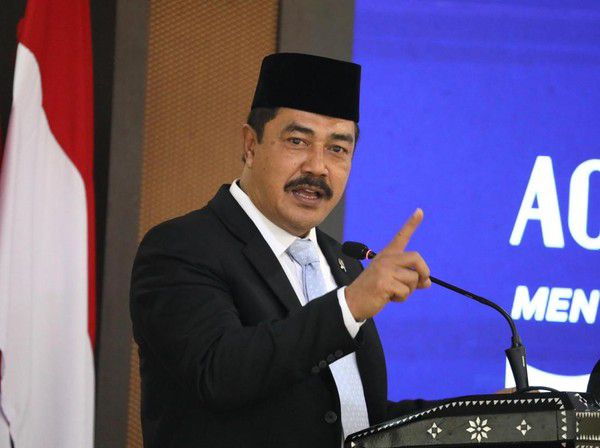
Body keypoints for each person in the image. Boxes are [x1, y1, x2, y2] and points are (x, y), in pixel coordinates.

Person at [130, 53, 434, 448]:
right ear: (250, 145)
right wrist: (349, 306)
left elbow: (353, 418)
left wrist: (480, 415)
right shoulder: (180, 247)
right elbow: (219, 374)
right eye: (297, 141)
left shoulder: (344, 263)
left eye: (338, 149)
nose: (318, 167)